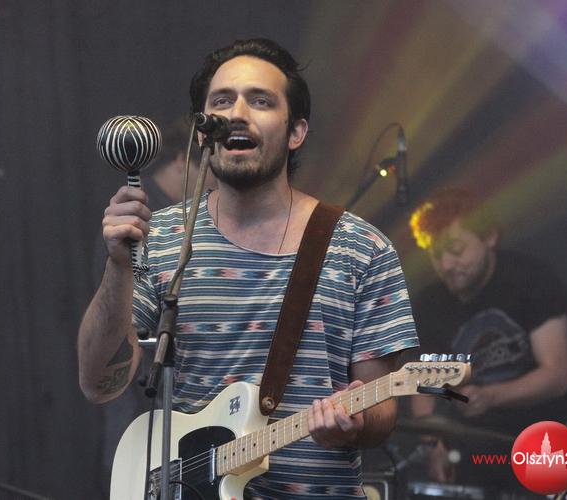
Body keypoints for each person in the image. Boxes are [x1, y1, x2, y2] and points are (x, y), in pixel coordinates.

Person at [78, 38, 419, 499]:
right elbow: (99, 383)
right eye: (222, 101)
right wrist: (118, 266)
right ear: (202, 132)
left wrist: (354, 423)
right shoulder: (159, 239)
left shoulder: (362, 249)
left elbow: (382, 409)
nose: (236, 113)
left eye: (260, 101)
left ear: (296, 132)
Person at [408, 187, 567, 494]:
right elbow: (423, 387)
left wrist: (490, 396)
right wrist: (432, 444)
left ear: (490, 238)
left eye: (456, 250)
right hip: (469, 456)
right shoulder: (430, 304)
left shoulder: (531, 281)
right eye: (436, 254)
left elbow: (556, 376)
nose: (447, 264)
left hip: (539, 447)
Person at [91, 117, 217, 498]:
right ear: (181, 161)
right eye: (208, 174)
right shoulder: (142, 224)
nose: (212, 186)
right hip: (140, 413)